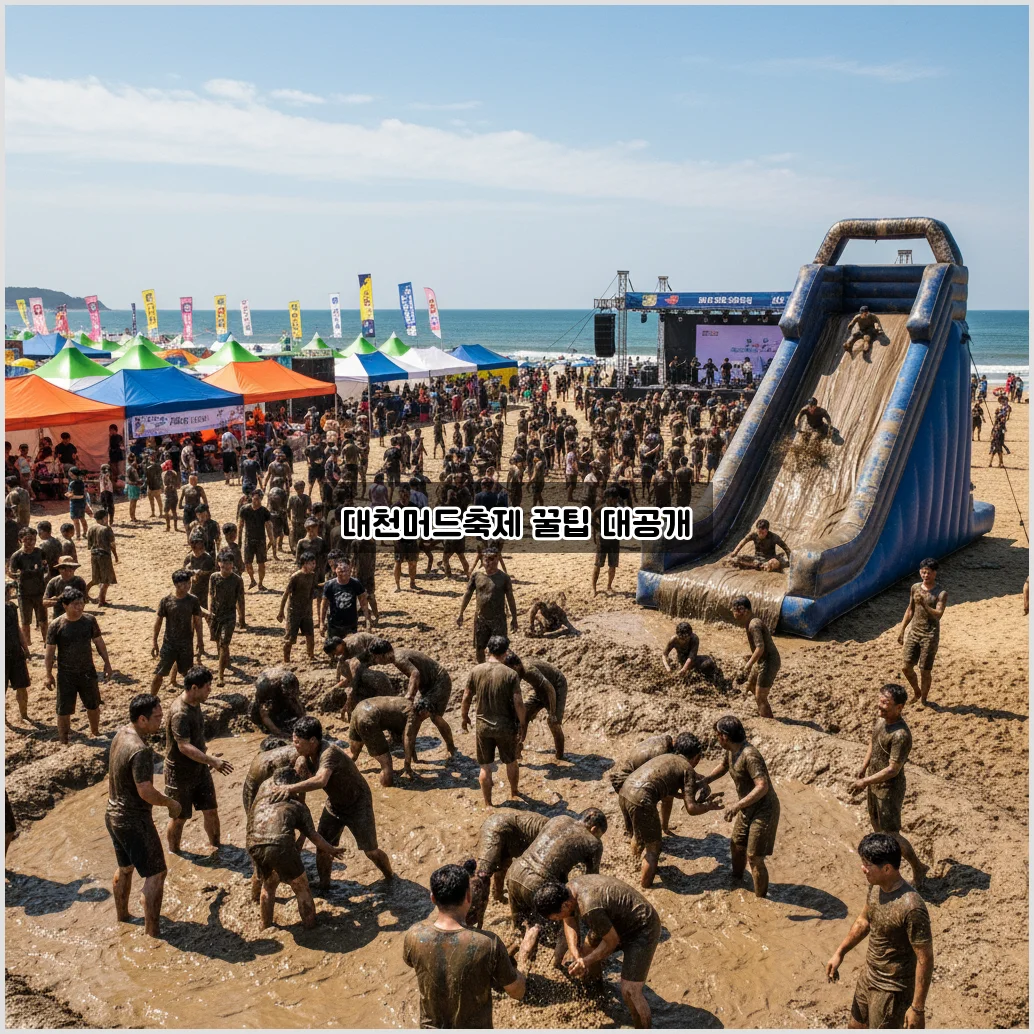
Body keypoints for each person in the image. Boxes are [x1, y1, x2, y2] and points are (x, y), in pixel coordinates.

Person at [825, 832, 933, 1030]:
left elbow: (925, 959)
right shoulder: (876, 886)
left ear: (887, 868)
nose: (862, 868)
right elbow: (863, 921)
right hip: (869, 977)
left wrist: (917, 1008)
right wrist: (839, 953)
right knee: (854, 1027)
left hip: (892, 991)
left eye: (867, 864)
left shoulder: (912, 907)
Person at [403, 860, 525, 1028]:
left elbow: (413, 963)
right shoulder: (488, 943)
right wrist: (521, 972)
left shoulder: (414, 935)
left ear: (432, 898)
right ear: (468, 897)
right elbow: (516, 992)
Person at [534, 874, 661, 1029]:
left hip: (642, 927)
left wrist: (586, 962)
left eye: (555, 917)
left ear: (566, 905)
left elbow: (612, 942)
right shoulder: (568, 890)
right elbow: (568, 920)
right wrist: (576, 954)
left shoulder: (589, 907)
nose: (556, 921)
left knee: (630, 992)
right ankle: (596, 991)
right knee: (586, 950)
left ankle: (643, 1028)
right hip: (613, 919)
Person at [105, 693, 182, 938]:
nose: (161, 721)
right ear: (142, 719)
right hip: (132, 819)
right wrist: (170, 803)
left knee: (125, 868)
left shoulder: (120, 735)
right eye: (157, 717)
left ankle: (123, 917)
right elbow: (146, 791)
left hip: (112, 814)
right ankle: (152, 933)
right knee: (156, 873)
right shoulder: (140, 750)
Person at [289, 716, 394, 888]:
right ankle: (324, 884)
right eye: (294, 741)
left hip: (358, 803)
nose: (295, 745)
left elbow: (321, 780)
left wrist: (289, 788)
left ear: (313, 741)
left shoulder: (329, 753)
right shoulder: (305, 755)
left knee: (371, 851)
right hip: (335, 804)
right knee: (323, 845)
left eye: (298, 742)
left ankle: (390, 877)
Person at [506, 809, 608, 970]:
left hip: (515, 871)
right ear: (595, 829)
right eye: (598, 834)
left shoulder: (560, 818)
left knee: (518, 925)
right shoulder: (593, 842)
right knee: (564, 920)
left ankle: (504, 963)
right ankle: (556, 964)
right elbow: (591, 879)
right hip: (537, 881)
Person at [246, 768, 346, 929]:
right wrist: (331, 850)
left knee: (269, 884)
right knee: (301, 887)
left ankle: (265, 926)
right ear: (294, 787)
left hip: (253, 842)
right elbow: (315, 837)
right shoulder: (297, 806)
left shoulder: (263, 793)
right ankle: (311, 927)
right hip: (279, 845)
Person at [618, 733, 722, 888]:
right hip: (641, 799)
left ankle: (633, 863)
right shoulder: (686, 767)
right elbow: (691, 808)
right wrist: (709, 806)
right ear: (697, 757)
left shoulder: (665, 756)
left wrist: (681, 794)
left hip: (625, 791)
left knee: (638, 834)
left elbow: (659, 784)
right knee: (654, 849)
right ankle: (645, 888)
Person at [850, 683, 928, 887]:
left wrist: (865, 780)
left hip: (889, 790)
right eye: (880, 700)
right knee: (879, 831)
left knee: (891, 835)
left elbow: (893, 769)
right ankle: (885, 869)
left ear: (899, 707)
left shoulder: (901, 735)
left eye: (885, 703)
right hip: (874, 783)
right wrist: (864, 767)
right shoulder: (880, 721)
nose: (880, 706)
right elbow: (872, 743)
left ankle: (918, 868)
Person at [702, 715, 780, 898]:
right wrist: (707, 780)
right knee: (736, 846)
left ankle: (761, 899)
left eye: (717, 735)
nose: (716, 738)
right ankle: (736, 882)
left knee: (754, 857)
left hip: (764, 810)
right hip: (747, 807)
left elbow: (762, 786)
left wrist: (736, 806)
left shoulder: (749, 755)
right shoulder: (731, 750)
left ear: (724, 736)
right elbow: (723, 766)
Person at [164, 665, 234, 855]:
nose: (210, 690)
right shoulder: (180, 713)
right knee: (179, 817)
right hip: (179, 773)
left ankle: (218, 847)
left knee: (211, 810)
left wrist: (207, 756)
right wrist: (212, 761)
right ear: (194, 688)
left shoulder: (196, 703)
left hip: (199, 768)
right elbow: (183, 746)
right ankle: (174, 853)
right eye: (207, 687)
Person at [460, 634, 526, 807]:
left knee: (485, 766)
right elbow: (518, 703)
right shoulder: (511, 674)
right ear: (505, 653)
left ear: (487, 650)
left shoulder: (476, 670)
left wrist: (464, 716)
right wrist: (523, 725)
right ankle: (514, 792)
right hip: (505, 726)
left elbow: (466, 696)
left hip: (483, 726)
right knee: (511, 761)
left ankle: (488, 804)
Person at [45, 587, 112, 744]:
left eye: (82, 603)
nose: (80, 607)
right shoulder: (56, 625)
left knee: (93, 705)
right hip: (65, 674)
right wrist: (48, 675)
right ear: (65, 605)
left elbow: (99, 643)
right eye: (75, 604)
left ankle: (95, 732)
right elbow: (49, 652)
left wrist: (107, 664)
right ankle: (64, 740)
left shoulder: (89, 620)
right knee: (63, 710)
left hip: (87, 671)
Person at [468, 811, 549, 929]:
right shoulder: (557, 830)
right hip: (497, 829)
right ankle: (474, 921)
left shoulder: (555, 827)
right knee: (482, 878)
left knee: (502, 865)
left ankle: (497, 895)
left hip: (504, 828)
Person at [897, 559, 947, 706]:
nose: (925, 575)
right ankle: (916, 691)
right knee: (906, 667)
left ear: (935, 573)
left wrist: (925, 604)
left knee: (924, 671)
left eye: (928, 573)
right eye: (923, 572)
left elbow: (938, 614)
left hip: (930, 636)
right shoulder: (915, 588)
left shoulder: (941, 593)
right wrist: (902, 630)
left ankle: (924, 699)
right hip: (914, 633)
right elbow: (910, 609)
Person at [348, 694, 428, 785]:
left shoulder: (407, 703)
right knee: (386, 764)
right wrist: (407, 766)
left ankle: (337, 770)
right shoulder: (414, 715)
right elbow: (408, 739)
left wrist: (415, 759)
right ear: (424, 712)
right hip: (368, 719)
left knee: (353, 754)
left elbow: (410, 737)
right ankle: (387, 789)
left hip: (359, 709)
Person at [456, 548, 518, 663]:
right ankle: (483, 668)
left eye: (493, 559)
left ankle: (498, 672)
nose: (490, 562)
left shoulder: (504, 578)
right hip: (481, 619)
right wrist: (461, 613)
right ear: (482, 561)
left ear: (498, 560)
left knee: (499, 649)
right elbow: (467, 594)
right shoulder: (476, 576)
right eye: (487, 559)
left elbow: (510, 598)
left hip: (498, 620)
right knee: (480, 648)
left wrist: (514, 618)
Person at [503, 650, 567, 760]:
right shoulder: (516, 671)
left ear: (517, 666)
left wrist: (552, 713)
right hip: (540, 690)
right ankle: (518, 749)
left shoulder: (529, 670)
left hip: (557, 686)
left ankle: (560, 756)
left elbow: (549, 688)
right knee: (522, 716)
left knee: (553, 723)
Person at [151, 570, 203, 693]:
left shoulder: (193, 600)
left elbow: (198, 622)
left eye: (188, 583)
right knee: (159, 674)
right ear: (176, 584)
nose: (187, 586)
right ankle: (152, 698)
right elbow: (158, 622)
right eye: (183, 584)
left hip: (186, 644)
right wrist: (154, 641)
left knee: (188, 676)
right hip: (169, 644)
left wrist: (200, 642)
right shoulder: (166, 601)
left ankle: (194, 701)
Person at [731, 596, 780, 718]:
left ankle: (768, 721)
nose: (734, 613)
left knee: (760, 696)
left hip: (769, 662)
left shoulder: (754, 625)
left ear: (744, 611)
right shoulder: (750, 622)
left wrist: (748, 665)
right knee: (751, 685)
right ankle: (762, 711)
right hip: (762, 660)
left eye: (735, 610)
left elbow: (760, 647)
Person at [207, 549, 246, 686]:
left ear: (232, 564)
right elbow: (211, 595)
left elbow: (240, 600)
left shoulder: (237, 580)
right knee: (219, 642)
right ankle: (226, 661)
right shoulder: (214, 577)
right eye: (223, 564)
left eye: (229, 564)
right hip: (216, 615)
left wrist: (242, 617)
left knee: (224, 643)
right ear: (219, 564)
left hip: (230, 615)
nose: (226, 567)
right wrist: (210, 613)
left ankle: (220, 675)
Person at [8, 526, 48, 646]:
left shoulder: (40, 552)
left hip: (39, 592)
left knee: (43, 620)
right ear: (21, 540)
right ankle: (27, 645)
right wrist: (19, 575)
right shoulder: (17, 556)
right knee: (25, 622)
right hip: (24, 593)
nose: (31, 542)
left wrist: (42, 571)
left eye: (33, 539)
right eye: (28, 539)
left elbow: (46, 568)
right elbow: (11, 573)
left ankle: (47, 642)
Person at [278, 552, 318, 663]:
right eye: (311, 563)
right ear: (304, 564)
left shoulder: (312, 575)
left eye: (314, 563)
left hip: (307, 611)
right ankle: (286, 659)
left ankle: (311, 655)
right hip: (294, 611)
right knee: (290, 638)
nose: (314, 566)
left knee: (310, 635)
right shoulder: (295, 577)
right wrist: (281, 611)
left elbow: (314, 588)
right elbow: (286, 594)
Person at [320, 557, 371, 639]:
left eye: (347, 571)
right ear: (335, 570)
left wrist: (367, 619)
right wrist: (321, 623)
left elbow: (363, 602)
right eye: (341, 571)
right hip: (334, 624)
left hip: (351, 624)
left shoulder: (355, 583)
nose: (344, 574)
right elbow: (324, 605)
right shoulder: (330, 585)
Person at [250, 666, 306, 739]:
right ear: (282, 687)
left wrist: (304, 721)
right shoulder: (265, 687)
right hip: (265, 688)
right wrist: (279, 733)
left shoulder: (292, 681)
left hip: (277, 686)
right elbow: (263, 713)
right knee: (257, 718)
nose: (290, 695)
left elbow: (296, 700)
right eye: (288, 693)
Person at [237, 489, 275, 589]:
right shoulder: (244, 509)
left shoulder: (264, 511)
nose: (256, 501)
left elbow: (268, 526)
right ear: (252, 498)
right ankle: (252, 580)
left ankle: (260, 583)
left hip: (261, 540)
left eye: (258, 499)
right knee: (248, 563)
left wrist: (271, 539)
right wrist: (239, 540)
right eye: (255, 499)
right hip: (248, 540)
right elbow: (240, 525)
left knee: (261, 564)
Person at [5, 579, 31, 722]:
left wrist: (25, 648)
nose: (8, 594)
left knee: (22, 687)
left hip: (16, 652)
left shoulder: (11, 608)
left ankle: (24, 715)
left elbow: (17, 629)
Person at [84, 508, 118, 606]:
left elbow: (89, 545)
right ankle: (101, 600)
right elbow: (112, 544)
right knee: (106, 579)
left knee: (95, 578)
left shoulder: (91, 528)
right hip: (104, 556)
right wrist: (115, 555)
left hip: (94, 555)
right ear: (104, 518)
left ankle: (85, 594)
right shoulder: (106, 529)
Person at [42, 555, 88, 619]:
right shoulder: (54, 582)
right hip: (58, 617)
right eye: (64, 568)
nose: (68, 571)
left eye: (71, 568)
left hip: (76, 616)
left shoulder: (79, 581)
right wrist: (58, 600)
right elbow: (44, 602)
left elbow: (85, 600)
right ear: (59, 569)